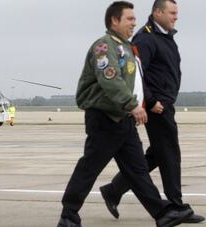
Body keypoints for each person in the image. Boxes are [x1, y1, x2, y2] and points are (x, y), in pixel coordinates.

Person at [57, 2, 193, 227]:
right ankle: (68, 215)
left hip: (124, 119)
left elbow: (135, 81)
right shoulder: (103, 47)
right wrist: (134, 105)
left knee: (138, 171)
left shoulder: (127, 48)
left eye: (134, 19)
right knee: (89, 167)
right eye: (129, 19)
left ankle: (163, 214)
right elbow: (110, 80)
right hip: (104, 118)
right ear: (114, 21)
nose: (134, 23)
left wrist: (138, 104)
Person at [99, 0, 205, 223]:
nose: (176, 17)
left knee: (157, 154)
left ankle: (113, 190)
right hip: (157, 107)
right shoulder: (146, 38)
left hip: (164, 103)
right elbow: (134, 73)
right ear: (158, 12)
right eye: (172, 12)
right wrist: (152, 100)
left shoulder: (164, 36)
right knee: (169, 154)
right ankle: (176, 205)